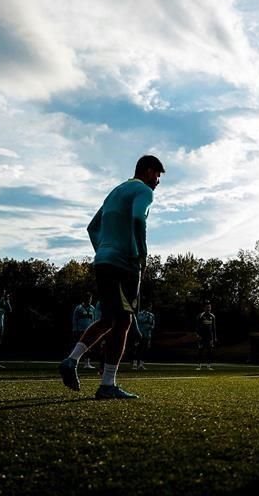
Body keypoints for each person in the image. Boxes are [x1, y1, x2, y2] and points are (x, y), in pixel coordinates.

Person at [58, 155, 165, 399]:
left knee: (109, 319)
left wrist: (105, 250)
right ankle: (107, 383)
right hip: (125, 264)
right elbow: (138, 218)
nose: (158, 181)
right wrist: (141, 254)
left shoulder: (115, 191)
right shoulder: (144, 191)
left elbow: (92, 227)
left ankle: (73, 360)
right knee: (124, 322)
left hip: (105, 261)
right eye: (157, 175)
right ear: (148, 171)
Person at [71, 294, 96, 369]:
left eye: (90, 298)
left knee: (88, 347)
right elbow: (74, 320)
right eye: (88, 298)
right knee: (78, 347)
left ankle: (87, 363)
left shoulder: (92, 308)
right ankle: (73, 361)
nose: (89, 300)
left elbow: (94, 320)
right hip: (80, 331)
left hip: (89, 330)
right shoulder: (79, 308)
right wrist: (75, 330)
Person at [195, 301, 217, 371]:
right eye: (207, 307)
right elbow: (197, 326)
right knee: (200, 350)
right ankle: (199, 366)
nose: (208, 308)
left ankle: (209, 365)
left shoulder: (212, 316)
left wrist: (214, 337)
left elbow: (214, 328)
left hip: (209, 337)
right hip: (201, 336)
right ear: (204, 308)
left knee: (209, 351)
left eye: (210, 307)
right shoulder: (200, 315)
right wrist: (197, 335)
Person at [132, 303, 155, 370]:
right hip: (139, 334)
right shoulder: (139, 314)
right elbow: (139, 321)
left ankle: (141, 364)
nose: (150, 308)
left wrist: (150, 327)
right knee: (136, 349)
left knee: (144, 349)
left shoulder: (151, 315)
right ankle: (135, 364)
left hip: (147, 334)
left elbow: (153, 325)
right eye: (150, 306)